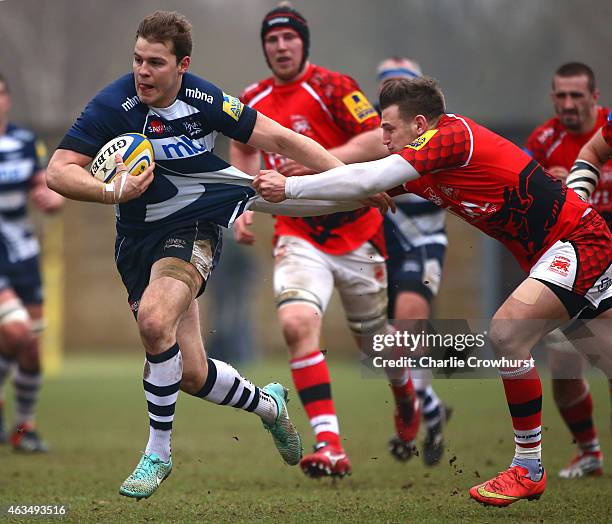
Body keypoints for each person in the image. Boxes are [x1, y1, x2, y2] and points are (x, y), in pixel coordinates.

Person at [46, 10, 377, 500]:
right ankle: (269, 406)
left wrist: (351, 181)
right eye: (137, 60)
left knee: (155, 322)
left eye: (155, 63)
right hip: (136, 241)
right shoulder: (113, 103)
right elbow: (58, 170)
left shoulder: (206, 99)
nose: (142, 72)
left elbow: (283, 139)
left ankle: (157, 453)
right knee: (191, 373)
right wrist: (111, 190)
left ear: (182, 65)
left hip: (194, 226)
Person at [253, 77, 612, 507]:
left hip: (579, 241)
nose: (381, 137)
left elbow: (367, 176)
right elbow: (345, 195)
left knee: (507, 334)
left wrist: (290, 184)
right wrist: (251, 199)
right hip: (560, 250)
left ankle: (528, 468)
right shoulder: (421, 166)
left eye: (388, 128)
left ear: (419, 124)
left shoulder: (451, 137)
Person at [229, 5, 420, 478]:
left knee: (375, 348)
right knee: (296, 325)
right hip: (298, 234)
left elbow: (378, 143)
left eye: (288, 38)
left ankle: (405, 396)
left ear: (303, 43)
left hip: (357, 232)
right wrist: (242, 201)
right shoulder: (252, 96)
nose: (280, 46)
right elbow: (242, 145)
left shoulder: (335, 87)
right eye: (272, 40)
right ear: (265, 47)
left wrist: (316, 161)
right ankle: (329, 443)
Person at [525, 62, 611, 479]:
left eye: (577, 96)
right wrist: (551, 189)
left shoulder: (604, 129)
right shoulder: (542, 140)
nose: (568, 104)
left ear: (595, 97)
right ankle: (590, 451)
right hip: (577, 260)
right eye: (561, 95)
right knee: (563, 366)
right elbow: (525, 204)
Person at [375, 57, 452, 466]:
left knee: (401, 336)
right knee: (391, 343)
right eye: (388, 87)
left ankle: (418, 412)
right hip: (382, 249)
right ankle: (432, 408)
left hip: (422, 248)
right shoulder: (380, 138)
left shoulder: (435, 139)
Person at [0, 73, 64, 451]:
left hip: (22, 249)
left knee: (32, 349)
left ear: (7, 99)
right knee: (17, 332)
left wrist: (51, 199)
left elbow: (44, 187)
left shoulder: (25, 142)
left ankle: (24, 429)